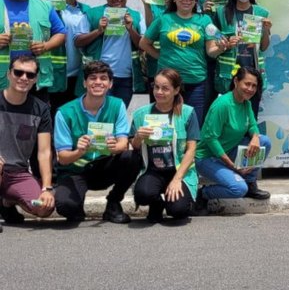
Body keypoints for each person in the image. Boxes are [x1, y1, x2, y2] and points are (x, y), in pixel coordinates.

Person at [54, 60, 142, 223]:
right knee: (66, 207)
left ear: (110, 84)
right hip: (76, 170)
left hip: (104, 166)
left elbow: (123, 143)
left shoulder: (117, 105)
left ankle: (114, 202)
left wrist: (115, 147)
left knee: (132, 157)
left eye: (103, 78)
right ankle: (76, 204)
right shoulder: (64, 112)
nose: (98, 82)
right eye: (93, 78)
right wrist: (79, 151)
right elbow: (62, 158)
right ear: (84, 83)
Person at [139, 0, 229, 126]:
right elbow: (144, 43)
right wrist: (161, 56)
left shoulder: (204, 20)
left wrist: (221, 48)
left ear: (196, 0)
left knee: (193, 125)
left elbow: (211, 51)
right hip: (166, 84)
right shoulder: (164, 19)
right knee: (165, 125)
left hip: (196, 82)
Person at [194, 66, 272, 215]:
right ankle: (203, 194)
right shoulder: (222, 105)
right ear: (236, 81)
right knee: (237, 189)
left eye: (254, 86)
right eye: (247, 84)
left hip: (229, 151)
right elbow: (211, 138)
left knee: (264, 141)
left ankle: (250, 182)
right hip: (207, 158)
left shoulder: (245, 103)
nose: (250, 89)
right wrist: (232, 166)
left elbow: (252, 124)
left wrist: (255, 137)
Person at [130, 69, 199, 223]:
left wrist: (177, 179)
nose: (159, 92)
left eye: (165, 88)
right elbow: (134, 147)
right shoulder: (141, 114)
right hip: (153, 170)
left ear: (176, 90)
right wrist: (138, 137)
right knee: (142, 195)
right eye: (156, 87)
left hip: (179, 171)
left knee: (178, 210)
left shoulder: (188, 113)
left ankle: (179, 200)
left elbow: (191, 150)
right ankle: (157, 204)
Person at [75, 0, 145, 108]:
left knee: (117, 114)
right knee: (98, 114)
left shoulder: (136, 16)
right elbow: (78, 41)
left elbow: (142, 45)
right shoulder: (93, 14)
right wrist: (98, 31)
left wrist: (131, 29)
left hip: (125, 77)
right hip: (99, 76)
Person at [0, 56, 56, 230]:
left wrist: (47, 188)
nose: (24, 78)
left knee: (44, 208)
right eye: (18, 72)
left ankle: (6, 202)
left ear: (35, 79)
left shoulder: (41, 109)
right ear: (9, 74)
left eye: (30, 75)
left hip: (18, 173)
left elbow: (44, 152)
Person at [0, 0, 66, 102]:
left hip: (34, 80)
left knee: (36, 121)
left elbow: (61, 33)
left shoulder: (45, 6)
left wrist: (45, 46)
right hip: (2, 80)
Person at [213, 0, 272, 115]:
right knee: (228, 116)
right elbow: (213, 43)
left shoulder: (261, 13)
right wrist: (227, 43)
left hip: (252, 72)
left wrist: (265, 30)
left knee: (250, 116)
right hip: (229, 75)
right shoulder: (221, 12)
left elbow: (263, 47)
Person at [42, 0, 90, 117]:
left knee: (71, 115)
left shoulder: (85, 10)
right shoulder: (49, 5)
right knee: (51, 114)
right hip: (56, 71)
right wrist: (43, 2)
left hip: (77, 72)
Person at [140, 0, 184, 95]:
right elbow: (150, 29)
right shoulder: (155, 3)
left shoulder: (188, 1)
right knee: (159, 98)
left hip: (180, 59)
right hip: (157, 61)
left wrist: (172, 2)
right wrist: (147, 5)